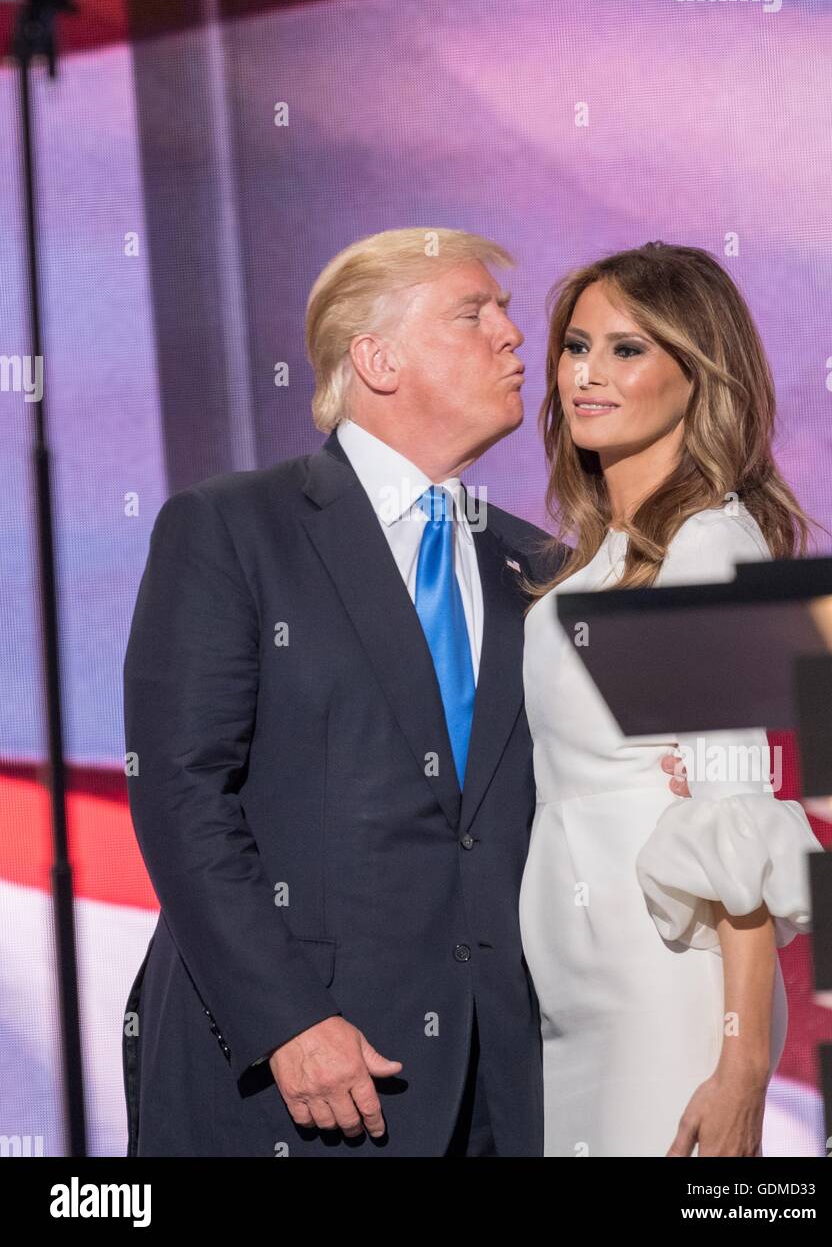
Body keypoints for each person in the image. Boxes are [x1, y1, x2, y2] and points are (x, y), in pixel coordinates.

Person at [122, 226, 574, 1157]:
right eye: (473, 313)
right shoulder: (235, 528)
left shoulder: (537, 565)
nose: (513, 337)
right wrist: (287, 1023)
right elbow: (180, 793)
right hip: (297, 1079)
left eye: (506, 313)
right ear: (376, 358)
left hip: (498, 1094)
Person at [518, 242, 825, 1157]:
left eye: (627, 350)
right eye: (577, 346)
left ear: (699, 379)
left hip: (664, 990)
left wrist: (740, 1068)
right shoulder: (601, 555)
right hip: (577, 984)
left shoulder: (710, 546)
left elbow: (741, 816)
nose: (587, 375)